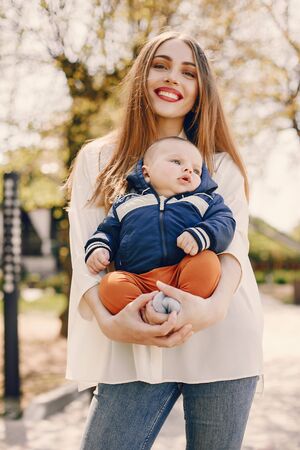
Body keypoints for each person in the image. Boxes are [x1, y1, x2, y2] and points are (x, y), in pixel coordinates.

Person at [66, 30, 263, 450]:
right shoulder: (98, 159)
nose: (173, 78)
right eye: (161, 65)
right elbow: (83, 249)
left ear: (200, 90)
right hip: (133, 334)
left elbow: (233, 250)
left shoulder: (220, 164)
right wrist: (111, 324)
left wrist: (212, 309)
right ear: (142, 75)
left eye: (188, 72)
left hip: (222, 339)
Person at [84, 136, 236, 316]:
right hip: (139, 280)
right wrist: (99, 249)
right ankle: (147, 311)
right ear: (147, 173)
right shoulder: (126, 204)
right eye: (176, 161)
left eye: (196, 170)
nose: (189, 169)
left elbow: (225, 221)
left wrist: (201, 234)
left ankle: (181, 303)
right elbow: (107, 231)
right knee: (110, 284)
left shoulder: (204, 200)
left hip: (182, 272)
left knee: (207, 262)